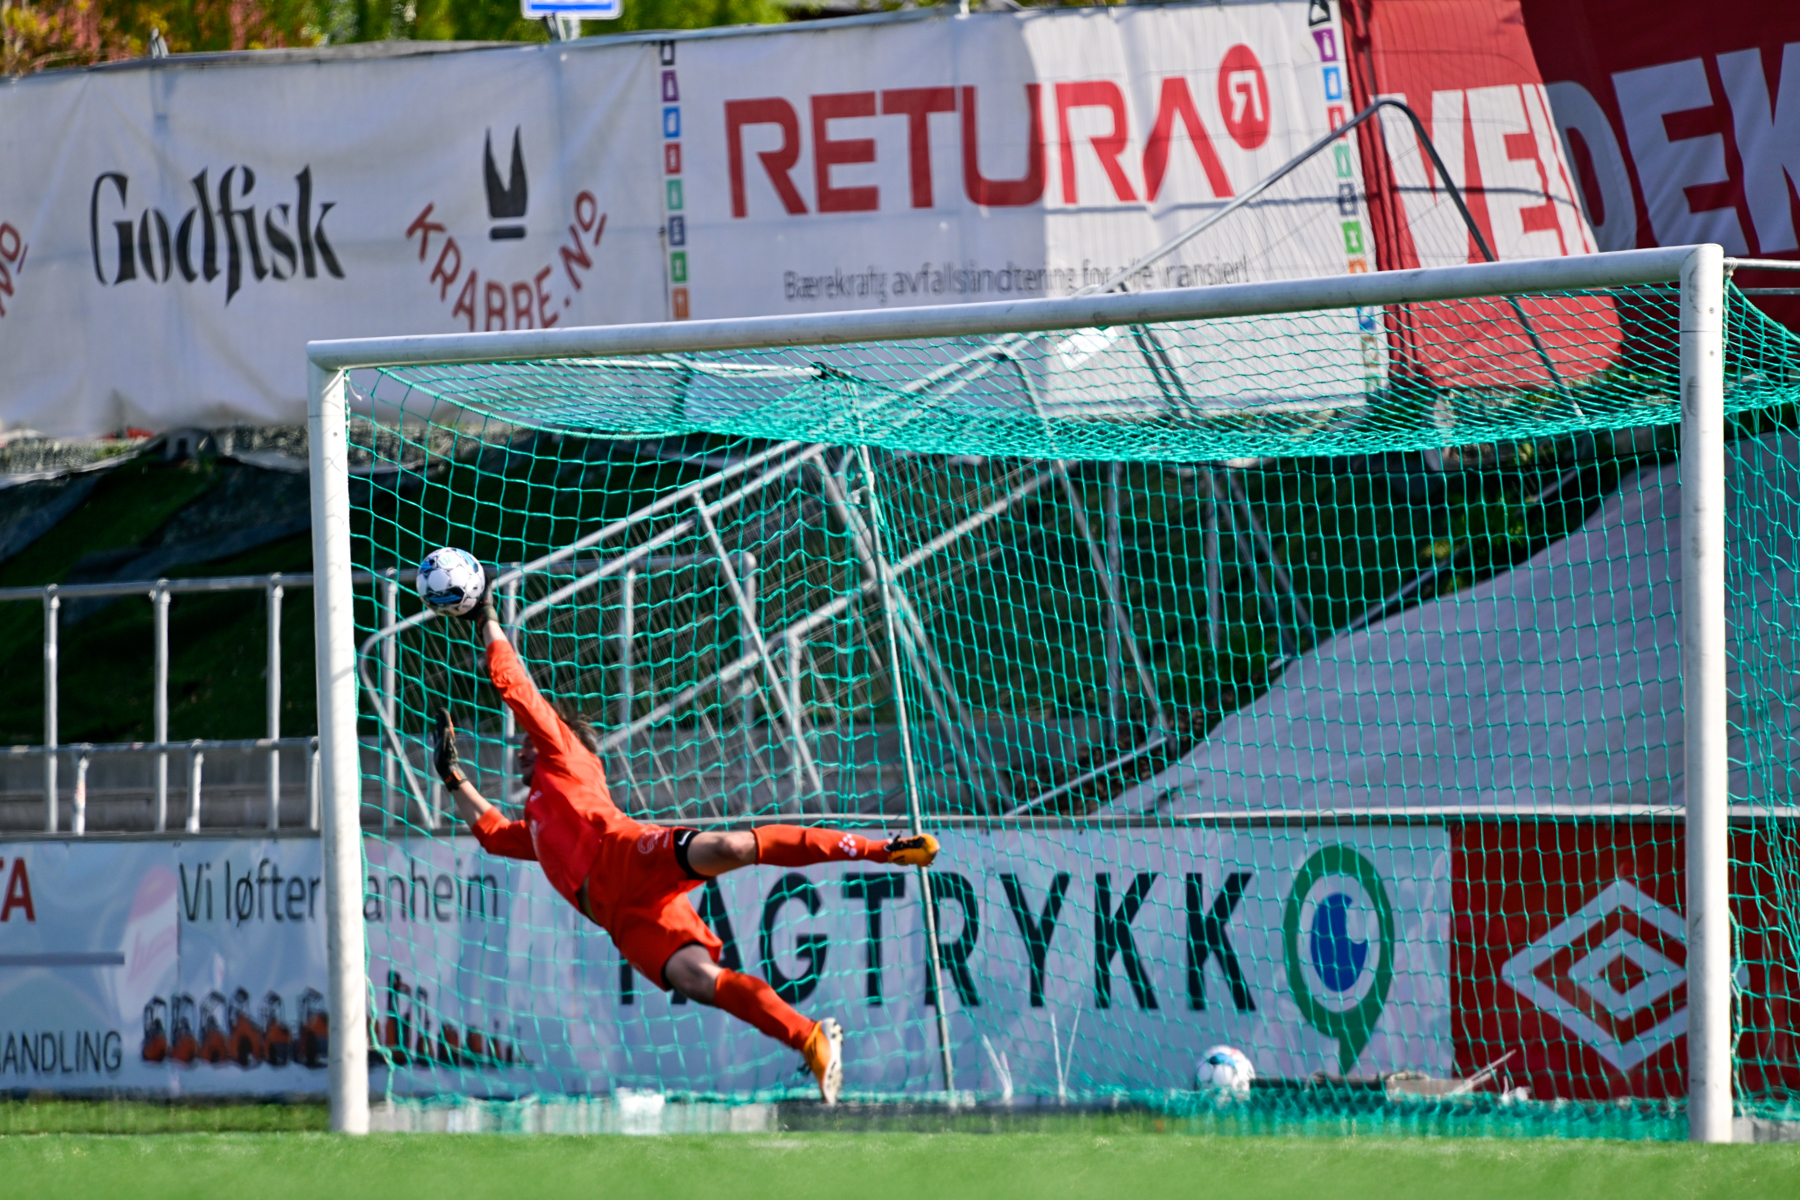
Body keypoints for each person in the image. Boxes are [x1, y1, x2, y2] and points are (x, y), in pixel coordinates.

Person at [430, 570, 939, 1105]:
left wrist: (486, 615)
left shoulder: (564, 755)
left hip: (628, 854)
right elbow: (491, 834)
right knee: (701, 980)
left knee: (731, 847)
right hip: (623, 917)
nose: (520, 750)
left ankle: (885, 849)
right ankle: (809, 1036)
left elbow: (518, 688)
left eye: (528, 745)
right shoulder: (535, 822)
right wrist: (452, 777)